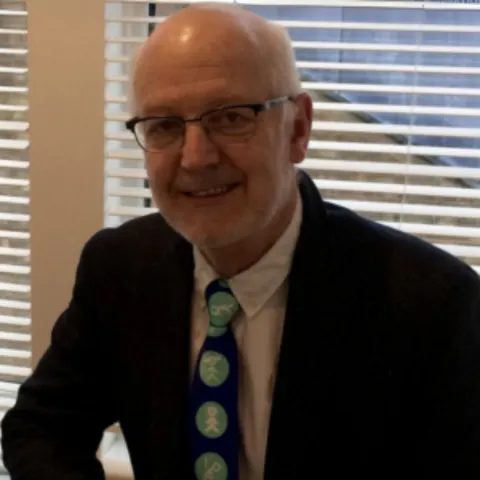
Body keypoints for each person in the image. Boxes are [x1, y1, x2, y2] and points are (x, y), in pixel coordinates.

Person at [2, 3, 480, 480]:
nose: (195, 157)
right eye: (165, 126)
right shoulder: (119, 267)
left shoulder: (432, 306)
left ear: (298, 128)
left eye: (231, 118)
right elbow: (39, 428)